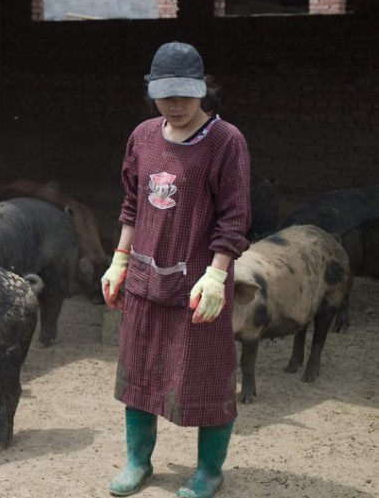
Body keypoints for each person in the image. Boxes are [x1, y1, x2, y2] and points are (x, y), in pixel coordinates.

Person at [101, 41, 251, 498]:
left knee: (206, 375)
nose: (177, 105)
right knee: (140, 373)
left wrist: (218, 274)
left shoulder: (226, 142)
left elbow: (235, 215)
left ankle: (208, 471)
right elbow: (132, 203)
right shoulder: (143, 135)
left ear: (203, 89)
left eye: (186, 94)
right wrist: (120, 259)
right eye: (166, 94)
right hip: (146, 278)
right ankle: (137, 462)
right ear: (152, 92)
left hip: (197, 287)